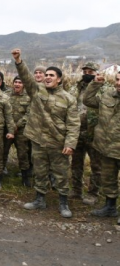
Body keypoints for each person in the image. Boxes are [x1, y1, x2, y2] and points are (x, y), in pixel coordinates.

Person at [12, 48, 80, 218]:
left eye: (52, 75)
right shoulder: (37, 90)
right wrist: (19, 61)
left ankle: (63, 203)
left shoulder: (68, 99)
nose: (48, 77)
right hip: (39, 141)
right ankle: (39, 199)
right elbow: (26, 77)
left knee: (61, 174)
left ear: (59, 79)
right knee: (40, 171)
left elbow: (73, 124)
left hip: (58, 143)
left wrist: (70, 144)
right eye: (46, 74)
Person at [83, 70, 120, 224]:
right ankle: (110, 207)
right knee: (108, 179)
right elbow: (88, 100)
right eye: (117, 79)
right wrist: (95, 83)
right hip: (106, 147)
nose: (119, 83)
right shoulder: (108, 95)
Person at [68, 62, 102, 205]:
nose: (87, 74)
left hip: (94, 132)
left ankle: (93, 193)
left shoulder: (104, 88)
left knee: (96, 165)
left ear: (96, 73)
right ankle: (76, 190)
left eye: (91, 72)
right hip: (77, 131)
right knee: (76, 163)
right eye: (85, 71)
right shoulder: (76, 87)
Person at [2, 76, 31, 187]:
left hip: (21, 131)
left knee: (23, 154)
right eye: (16, 82)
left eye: (20, 82)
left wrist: (17, 126)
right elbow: (3, 110)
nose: (17, 84)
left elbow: (29, 114)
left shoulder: (28, 97)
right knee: (3, 152)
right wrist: (10, 126)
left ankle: (25, 178)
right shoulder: (7, 95)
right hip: (7, 129)